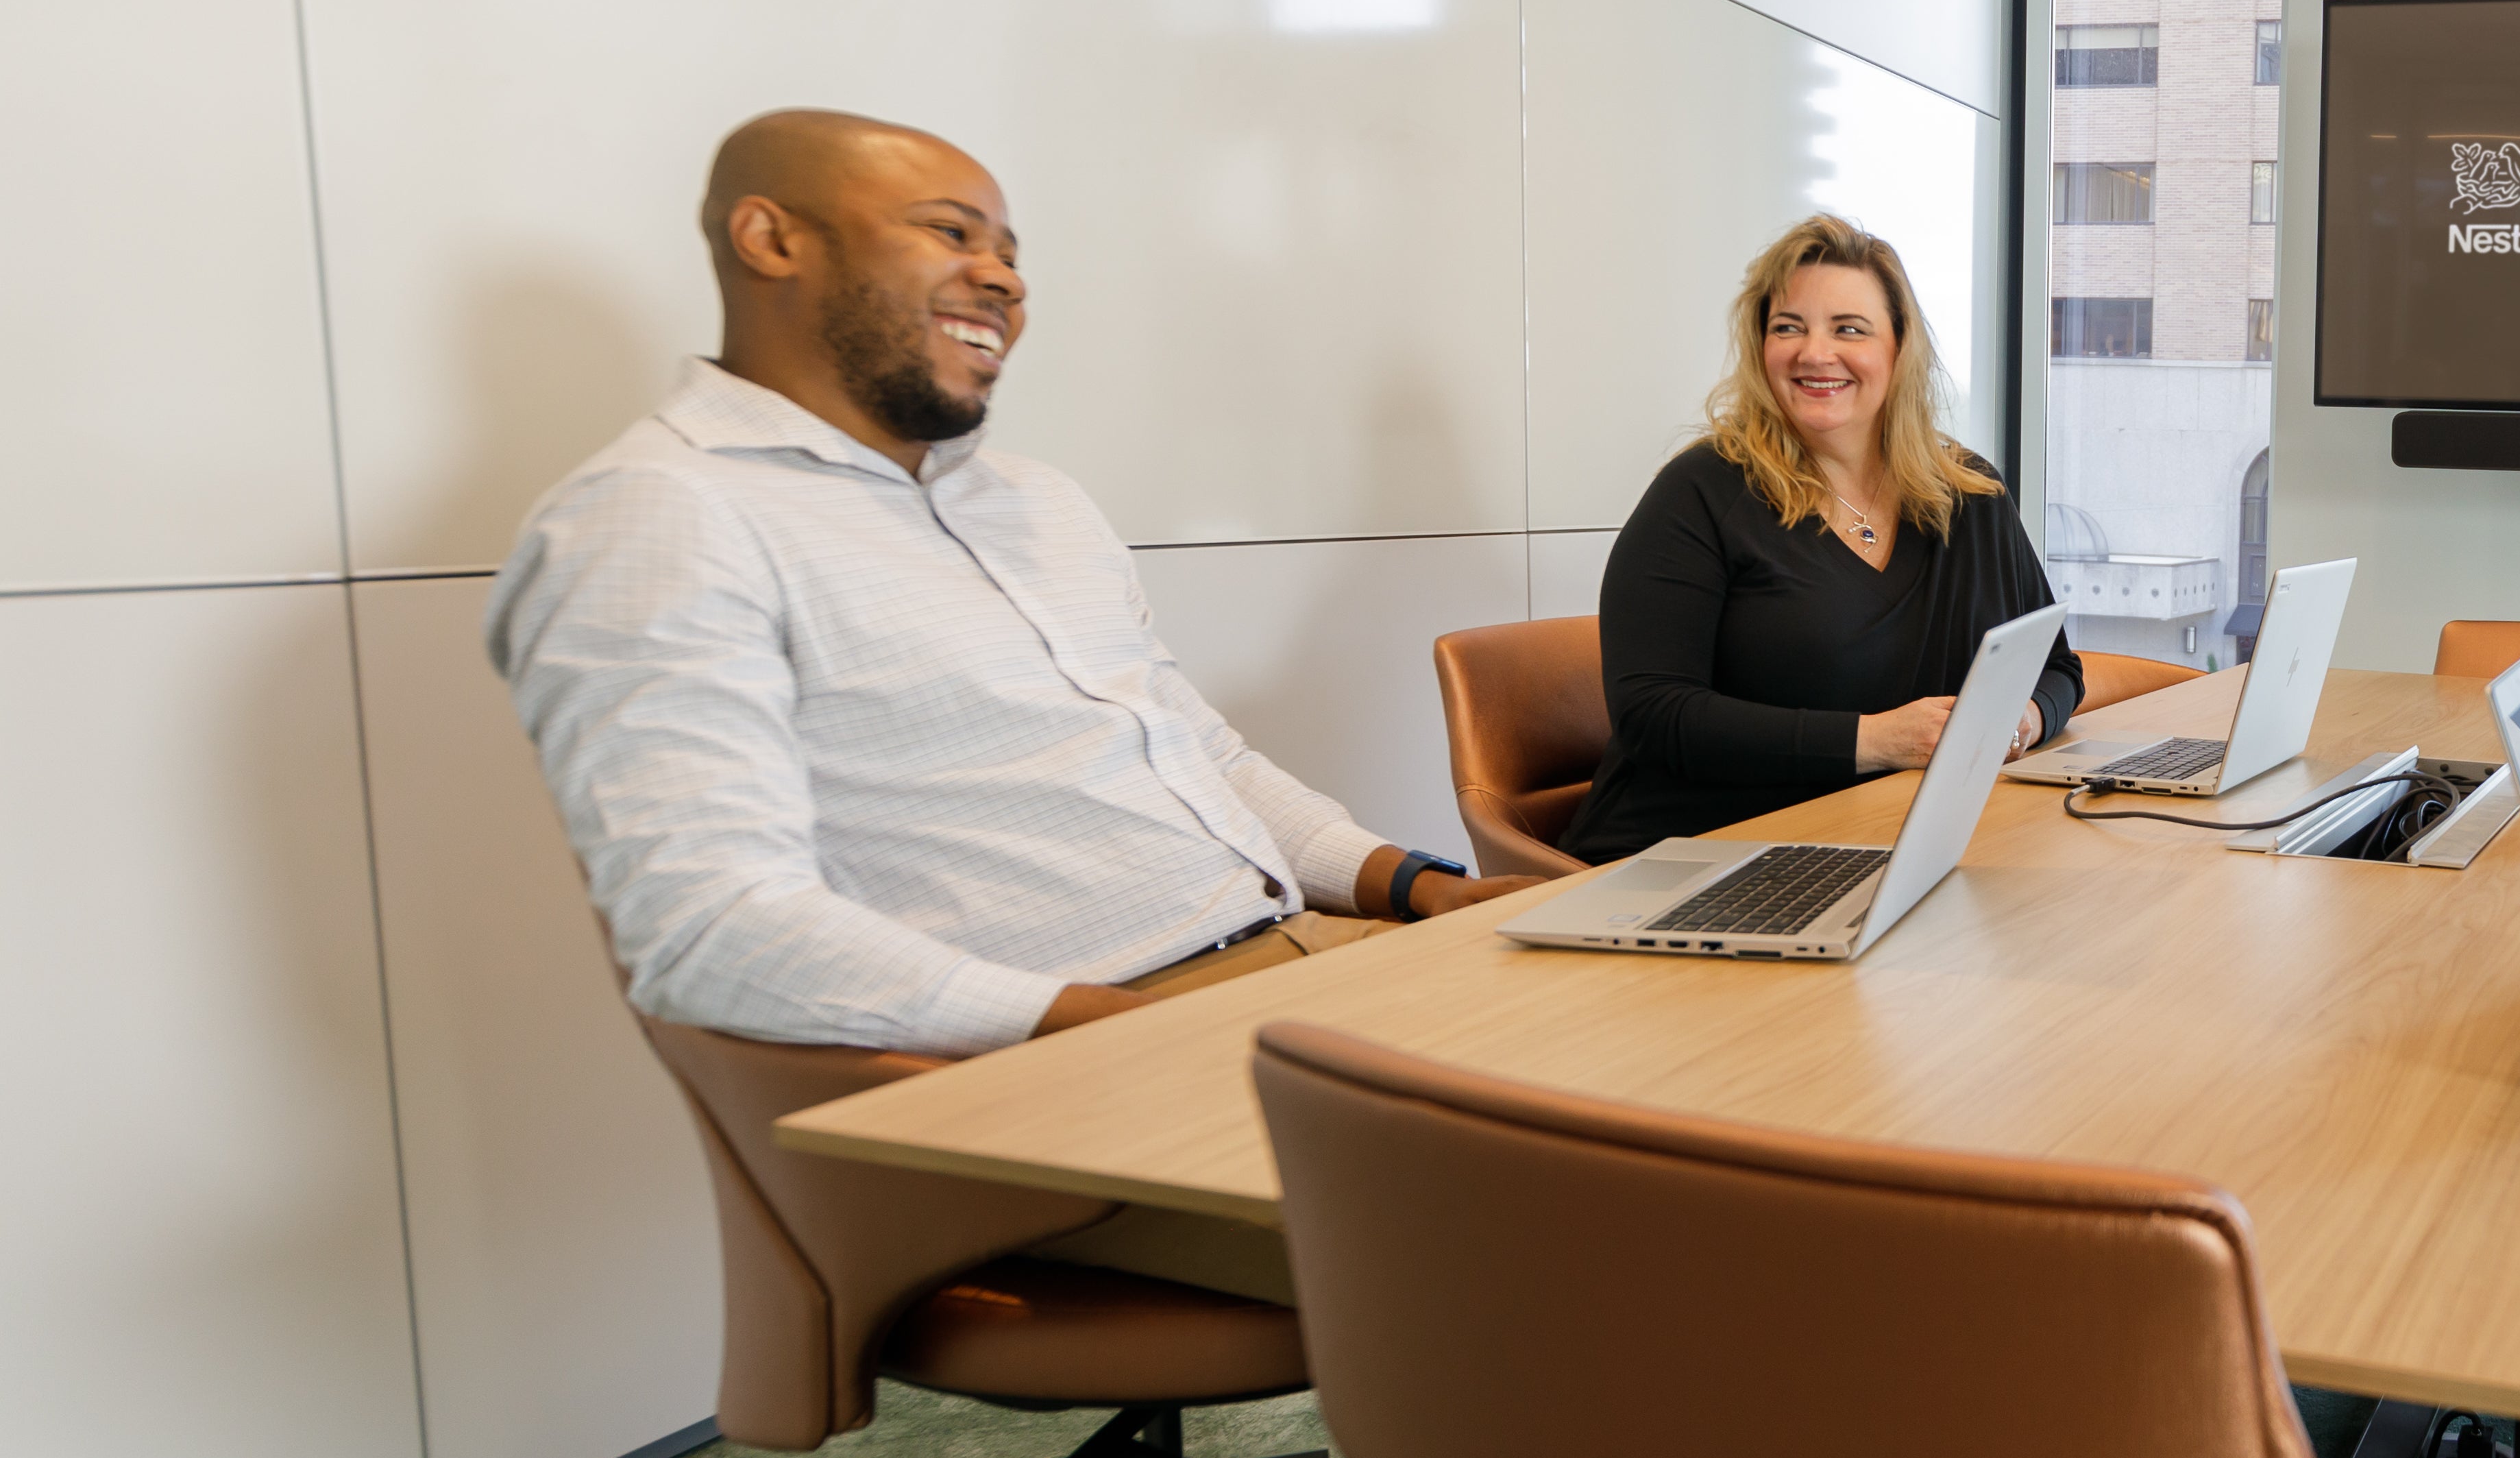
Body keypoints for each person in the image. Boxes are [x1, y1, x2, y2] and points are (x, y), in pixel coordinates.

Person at [491, 109, 1530, 1066]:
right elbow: (715, 933)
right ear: (772, 240)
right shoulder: (659, 517)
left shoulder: (1035, 501)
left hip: (1299, 961)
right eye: (952, 234)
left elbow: (1196, 757)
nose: (1002, 278)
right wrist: (1140, 1035)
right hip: (1093, 1049)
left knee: (1654, 1035)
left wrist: (1426, 887)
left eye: (1010, 253)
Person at [1560, 214, 2083, 863]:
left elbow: (2057, 668)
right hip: (1699, 860)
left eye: (1848, 329)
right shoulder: (1698, 492)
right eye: (1788, 328)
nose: (1814, 353)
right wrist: (1876, 740)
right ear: (1760, 348)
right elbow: (1652, 715)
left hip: (1893, 846)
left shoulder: (1971, 493)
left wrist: (2024, 719)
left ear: (1899, 347)